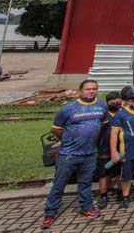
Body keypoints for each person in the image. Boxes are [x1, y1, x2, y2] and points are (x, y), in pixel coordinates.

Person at [41, 79, 107, 229]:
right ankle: (50, 213)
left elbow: (102, 124)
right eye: (88, 89)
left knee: (85, 183)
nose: (91, 91)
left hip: (89, 153)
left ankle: (86, 208)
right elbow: (55, 129)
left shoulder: (101, 105)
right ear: (80, 91)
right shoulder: (69, 108)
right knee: (59, 184)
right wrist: (68, 139)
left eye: (94, 89)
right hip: (69, 154)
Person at [95, 91, 123, 210]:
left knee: (119, 171)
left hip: (120, 147)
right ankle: (103, 195)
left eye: (118, 102)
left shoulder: (123, 113)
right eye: (113, 103)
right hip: (105, 147)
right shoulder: (103, 115)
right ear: (107, 103)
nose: (116, 104)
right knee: (104, 172)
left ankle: (121, 192)